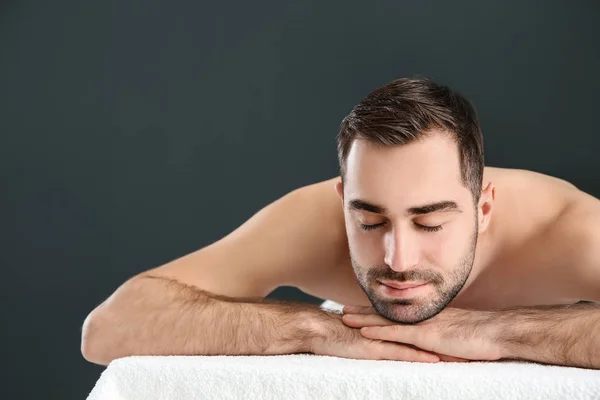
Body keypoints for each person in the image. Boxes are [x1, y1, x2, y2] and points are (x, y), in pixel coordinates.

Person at [81, 77, 600, 369]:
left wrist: (499, 330)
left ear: (483, 207)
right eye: (370, 221)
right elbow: (106, 329)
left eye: (431, 223)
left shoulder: (567, 230)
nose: (398, 261)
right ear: (343, 200)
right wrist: (314, 328)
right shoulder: (312, 222)